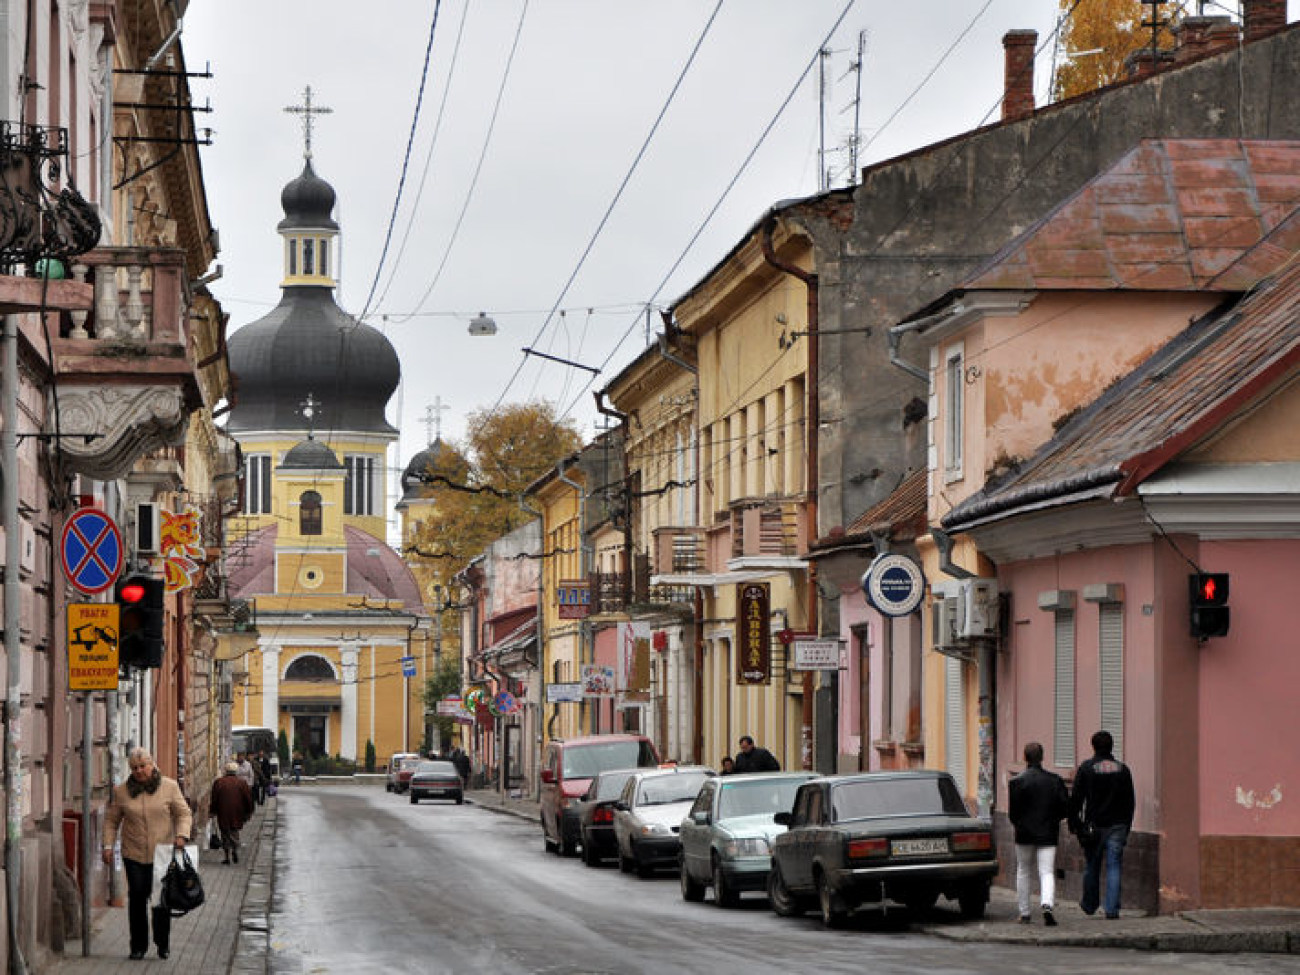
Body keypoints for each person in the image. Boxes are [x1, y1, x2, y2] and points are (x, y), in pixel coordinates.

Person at [101, 747, 192, 961]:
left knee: (161, 901)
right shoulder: (122, 791)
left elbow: (183, 813)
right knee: (137, 898)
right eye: (134, 768)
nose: (139, 771)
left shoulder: (169, 787)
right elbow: (111, 821)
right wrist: (107, 845)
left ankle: (162, 943)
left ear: (152, 764)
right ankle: (138, 946)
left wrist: (181, 835)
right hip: (133, 853)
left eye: (143, 766)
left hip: (162, 851)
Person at [1069, 730, 1136, 920]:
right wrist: (1126, 825)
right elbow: (1130, 801)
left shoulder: (1087, 768)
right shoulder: (1123, 769)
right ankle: (1112, 909)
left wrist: (1075, 824)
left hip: (1094, 826)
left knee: (1092, 865)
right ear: (1112, 746)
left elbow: (1076, 799)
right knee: (1114, 866)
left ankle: (1090, 904)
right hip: (1118, 825)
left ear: (1093, 746)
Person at [1008, 741, 1069, 926]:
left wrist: (1020, 824)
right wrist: (1053, 820)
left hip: (1024, 833)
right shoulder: (1055, 780)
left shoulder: (1016, 782)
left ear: (1025, 757)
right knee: (1047, 871)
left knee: (1023, 870)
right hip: (1048, 832)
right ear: (1042, 757)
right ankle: (1047, 904)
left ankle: (1025, 912)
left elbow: (1013, 814)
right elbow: (1065, 807)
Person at [209, 761, 254, 865]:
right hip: (237, 811)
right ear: (236, 771)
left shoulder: (219, 782)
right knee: (234, 830)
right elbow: (248, 799)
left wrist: (212, 811)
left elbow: (214, 798)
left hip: (223, 811)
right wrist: (249, 811)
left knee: (224, 832)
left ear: (226, 771)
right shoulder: (242, 783)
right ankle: (235, 848)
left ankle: (227, 856)